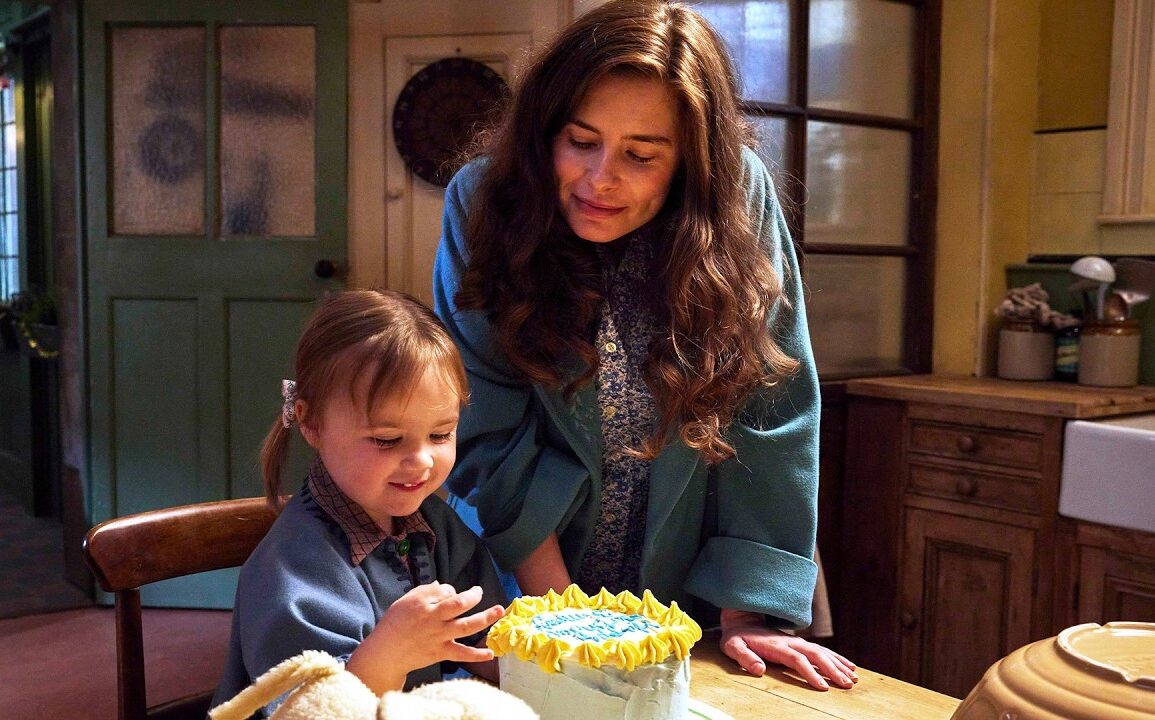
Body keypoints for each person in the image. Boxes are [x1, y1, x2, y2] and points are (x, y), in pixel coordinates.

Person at [432, 0, 857, 691]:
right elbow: (485, 427)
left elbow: (771, 409)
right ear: (544, 131)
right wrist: (564, 622)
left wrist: (747, 613)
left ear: (691, 163)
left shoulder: (737, 192)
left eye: (641, 155)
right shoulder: (483, 200)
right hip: (523, 571)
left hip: (694, 576)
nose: (601, 178)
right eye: (580, 141)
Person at [211, 290, 508, 716]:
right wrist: (391, 652)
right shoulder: (291, 568)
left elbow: (487, 644)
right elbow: (316, 711)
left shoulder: (434, 523)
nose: (422, 461)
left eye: (440, 434)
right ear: (311, 423)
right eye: (387, 439)